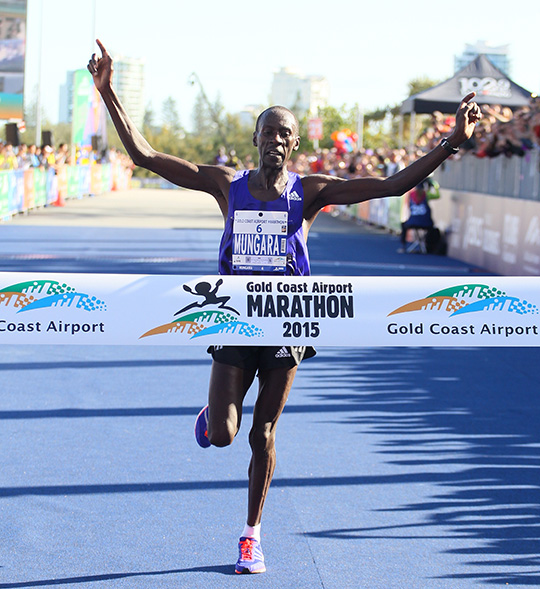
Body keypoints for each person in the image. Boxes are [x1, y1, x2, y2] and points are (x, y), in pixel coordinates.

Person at [88, 39, 482, 575]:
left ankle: (251, 536)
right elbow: (145, 156)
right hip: (232, 318)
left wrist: (450, 143)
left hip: (288, 322)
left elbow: (392, 184)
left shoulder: (312, 190)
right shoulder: (225, 184)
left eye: (284, 133)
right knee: (226, 435)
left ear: (294, 144)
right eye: (267, 130)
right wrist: (109, 93)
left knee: (263, 434)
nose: (275, 139)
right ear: (254, 138)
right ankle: (212, 415)